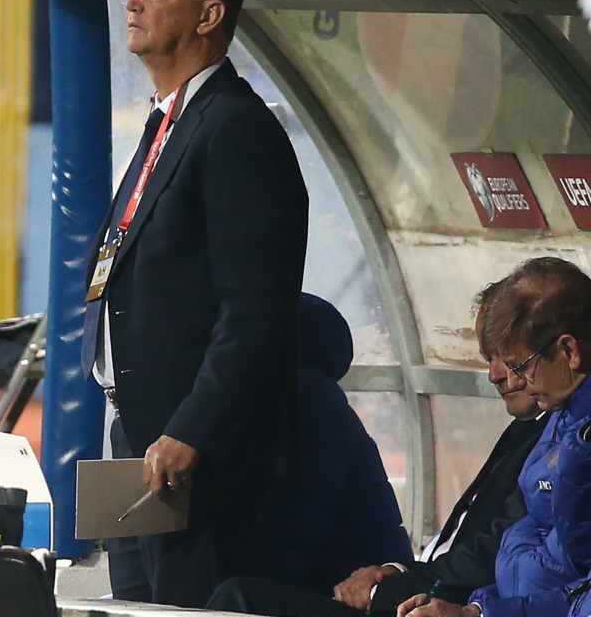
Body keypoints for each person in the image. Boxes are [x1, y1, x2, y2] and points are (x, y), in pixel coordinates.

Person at [78, 0, 309, 606]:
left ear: (209, 13)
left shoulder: (236, 131)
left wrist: (190, 431)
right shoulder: (167, 122)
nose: (134, 0)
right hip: (140, 441)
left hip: (194, 460)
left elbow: (255, 312)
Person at [207, 279, 549, 617]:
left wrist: (392, 584)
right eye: (490, 357)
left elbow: (495, 551)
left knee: (236, 598)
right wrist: (397, 572)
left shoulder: (311, 407)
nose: (496, 374)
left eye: (512, 358)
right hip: (410, 588)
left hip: (427, 601)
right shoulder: (525, 428)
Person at [398, 258, 591, 617]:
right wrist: (477, 608)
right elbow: (528, 553)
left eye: (520, 365)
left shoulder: (574, 431)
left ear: (569, 351)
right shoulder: (559, 422)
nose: (514, 380)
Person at [256, 293, 412, 595]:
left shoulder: (308, 403)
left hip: (345, 589)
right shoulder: (328, 404)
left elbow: (299, 529)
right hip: (365, 581)